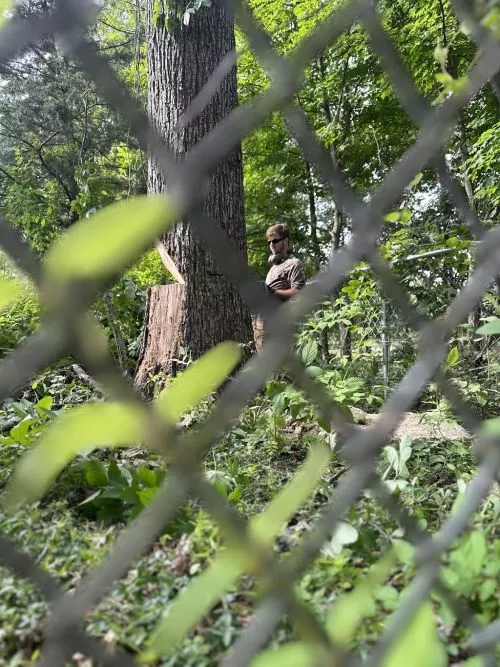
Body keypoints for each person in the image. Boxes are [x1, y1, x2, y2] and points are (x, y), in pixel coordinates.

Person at [265, 223, 306, 300]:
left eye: (275, 241)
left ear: (285, 240)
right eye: (269, 242)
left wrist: (272, 292)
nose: (271, 245)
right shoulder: (273, 267)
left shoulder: (294, 263)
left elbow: (299, 293)